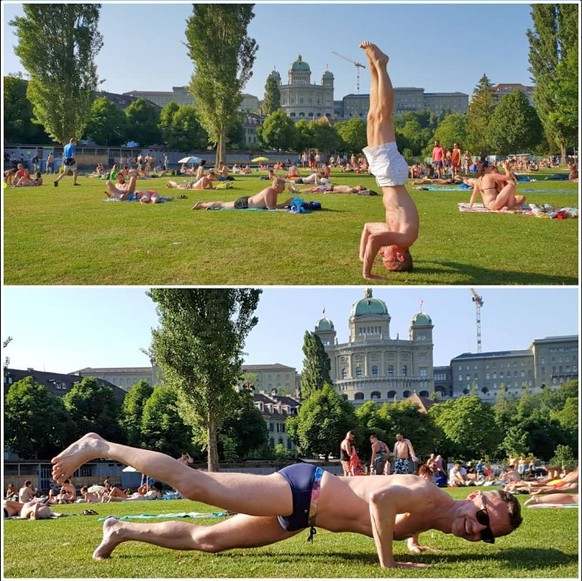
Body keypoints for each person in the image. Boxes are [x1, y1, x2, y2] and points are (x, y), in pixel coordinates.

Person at [51, 433, 522, 569]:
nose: (476, 529)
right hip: (305, 490)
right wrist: (390, 562)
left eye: (486, 535)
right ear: (475, 496)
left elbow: (417, 519)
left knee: (209, 541)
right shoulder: (426, 492)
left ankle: (120, 529)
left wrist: (415, 542)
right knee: (198, 486)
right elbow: (381, 505)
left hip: (300, 516)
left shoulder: (441, 514)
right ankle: (102, 446)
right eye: (482, 516)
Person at [358, 42, 419, 280]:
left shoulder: (394, 233)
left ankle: (373, 66)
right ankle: (382, 65)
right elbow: (374, 239)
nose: (383, 258)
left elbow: (368, 229)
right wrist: (367, 272)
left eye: (381, 261)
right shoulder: (405, 237)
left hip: (385, 175)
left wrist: (363, 257)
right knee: (383, 115)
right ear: (401, 255)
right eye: (389, 259)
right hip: (391, 173)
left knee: (373, 116)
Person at [192, 177, 293, 211]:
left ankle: (205, 203)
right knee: (221, 204)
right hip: (244, 203)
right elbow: (270, 208)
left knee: (222, 203)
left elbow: (273, 206)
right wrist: (285, 204)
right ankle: (201, 204)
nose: (284, 189)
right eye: (282, 187)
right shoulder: (269, 191)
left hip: (248, 201)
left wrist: (286, 205)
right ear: (276, 187)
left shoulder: (274, 192)